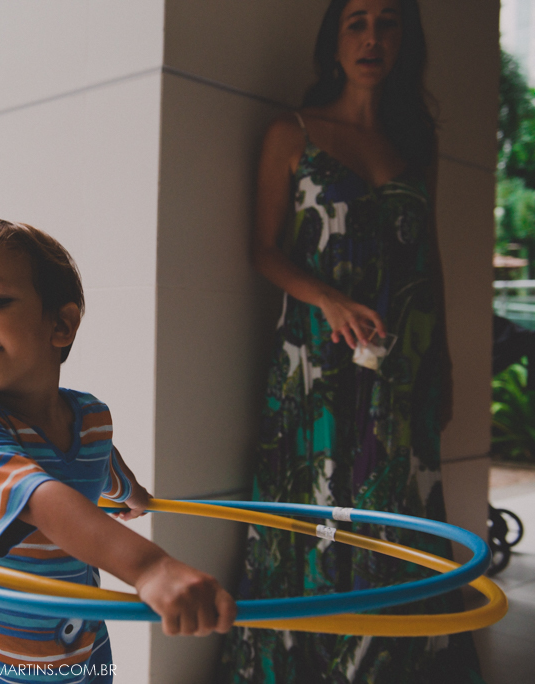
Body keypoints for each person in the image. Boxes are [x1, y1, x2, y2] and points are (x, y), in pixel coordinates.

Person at [216, 1, 484, 682]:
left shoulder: (414, 144)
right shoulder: (293, 132)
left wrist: (444, 361)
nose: (371, 37)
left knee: (396, 506)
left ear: (404, 40)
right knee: (318, 499)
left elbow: (429, 260)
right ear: (333, 41)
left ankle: (390, 661)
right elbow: (263, 250)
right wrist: (328, 299)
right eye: (356, 22)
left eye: (387, 23)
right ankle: (312, 662)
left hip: (401, 362)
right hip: (316, 358)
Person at [0, 220, 235, 683]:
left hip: (76, 651)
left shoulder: (91, 415)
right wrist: (151, 567)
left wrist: (130, 491)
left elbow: (96, 459)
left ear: (61, 324)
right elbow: (45, 500)